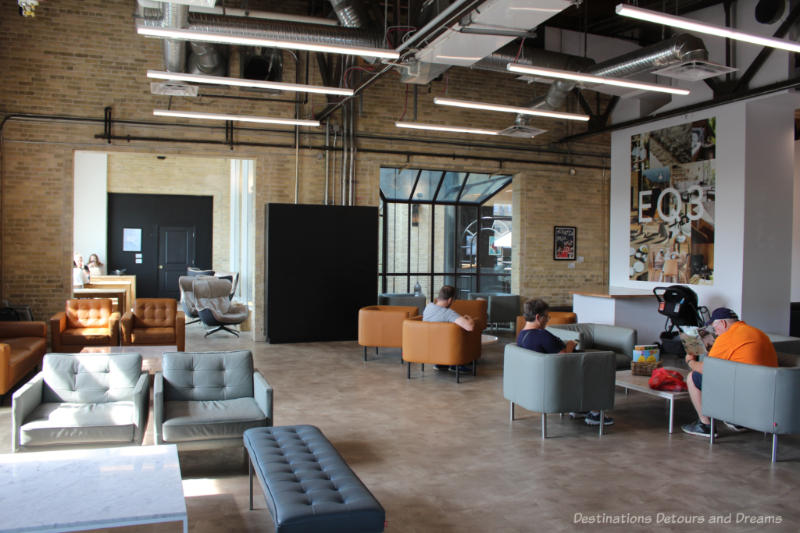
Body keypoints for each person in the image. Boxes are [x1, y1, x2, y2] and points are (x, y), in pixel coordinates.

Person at [681, 307, 778, 438]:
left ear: (723, 324)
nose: (715, 332)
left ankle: (705, 425)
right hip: (769, 391)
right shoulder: (757, 332)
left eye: (715, 328)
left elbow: (707, 369)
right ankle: (737, 421)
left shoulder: (727, 337)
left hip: (745, 393)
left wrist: (690, 361)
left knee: (693, 377)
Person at [517, 298, 613, 427]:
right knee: (597, 369)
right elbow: (564, 357)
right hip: (558, 377)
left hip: (541, 377)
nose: (548, 319)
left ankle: (580, 407)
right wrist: (570, 345)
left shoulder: (521, 336)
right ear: (538, 317)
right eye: (547, 316)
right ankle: (595, 414)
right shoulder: (542, 335)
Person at [423, 285, 475, 371]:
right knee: (459, 331)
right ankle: (455, 364)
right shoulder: (448, 313)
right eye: (453, 300)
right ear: (450, 300)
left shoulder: (428, 307)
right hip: (447, 349)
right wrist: (470, 319)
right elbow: (470, 327)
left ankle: (440, 362)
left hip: (427, 346)